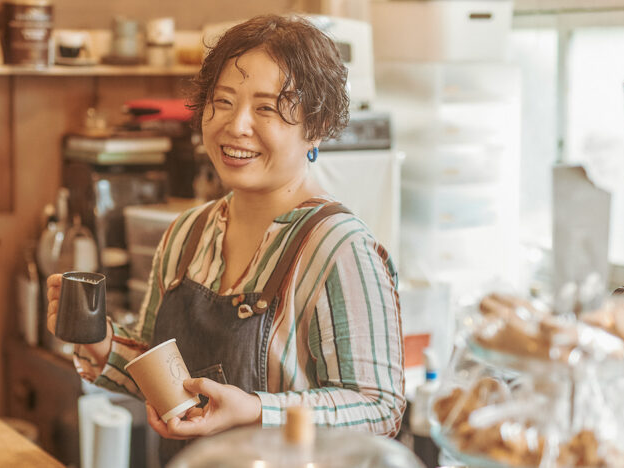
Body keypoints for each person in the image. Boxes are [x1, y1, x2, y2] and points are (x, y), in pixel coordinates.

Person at [47, 14, 405, 464]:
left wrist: (257, 411)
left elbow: (380, 408)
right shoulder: (185, 234)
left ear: (315, 127)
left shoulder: (339, 247)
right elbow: (170, 384)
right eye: (223, 101)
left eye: (267, 108)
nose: (236, 126)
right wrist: (102, 344)